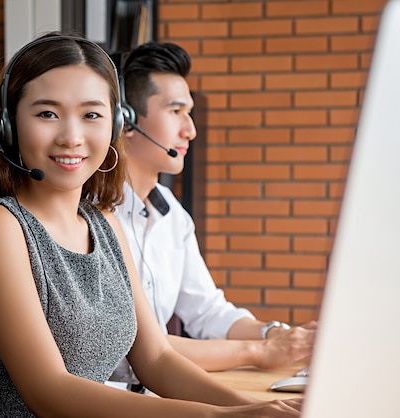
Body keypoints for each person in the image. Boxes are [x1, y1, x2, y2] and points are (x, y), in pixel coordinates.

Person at [0, 32, 302, 417]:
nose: (72, 137)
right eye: (47, 113)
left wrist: (263, 408)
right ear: (8, 125)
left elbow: (156, 360)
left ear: (115, 125)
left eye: (92, 115)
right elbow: (48, 392)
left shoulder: (103, 225)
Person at [111, 41, 316, 377]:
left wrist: (276, 334)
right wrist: (261, 351)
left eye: (188, 113)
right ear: (126, 120)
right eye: (176, 112)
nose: (190, 130)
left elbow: (206, 311)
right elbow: (135, 344)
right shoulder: (90, 215)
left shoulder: (172, 216)